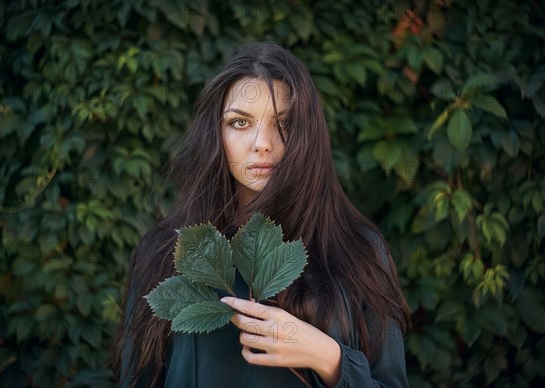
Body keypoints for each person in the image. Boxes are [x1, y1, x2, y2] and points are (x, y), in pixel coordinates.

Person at [113, 42, 410, 387]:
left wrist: (328, 358)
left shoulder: (359, 250)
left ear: (308, 134)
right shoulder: (164, 252)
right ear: (215, 133)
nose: (262, 143)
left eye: (283, 123)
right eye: (240, 122)